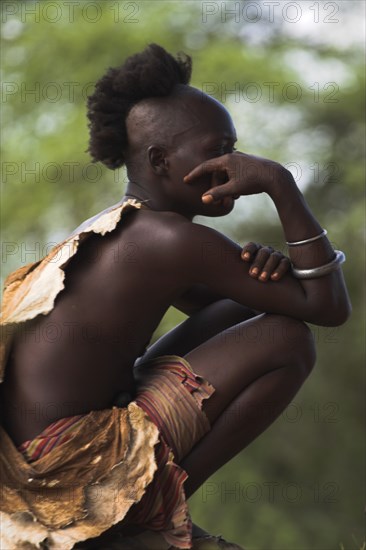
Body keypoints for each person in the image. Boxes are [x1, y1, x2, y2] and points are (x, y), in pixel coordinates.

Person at [0, 44, 351, 550]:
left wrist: (272, 279)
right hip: (65, 470)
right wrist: (281, 183)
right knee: (287, 337)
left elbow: (249, 310)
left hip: (39, 460)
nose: (236, 164)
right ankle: (149, 520)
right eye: (219, 149)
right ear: (161, 161)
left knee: (257, 313)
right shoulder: (169, 241)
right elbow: (328, 308)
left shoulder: (126, 229)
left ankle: (146, 511)